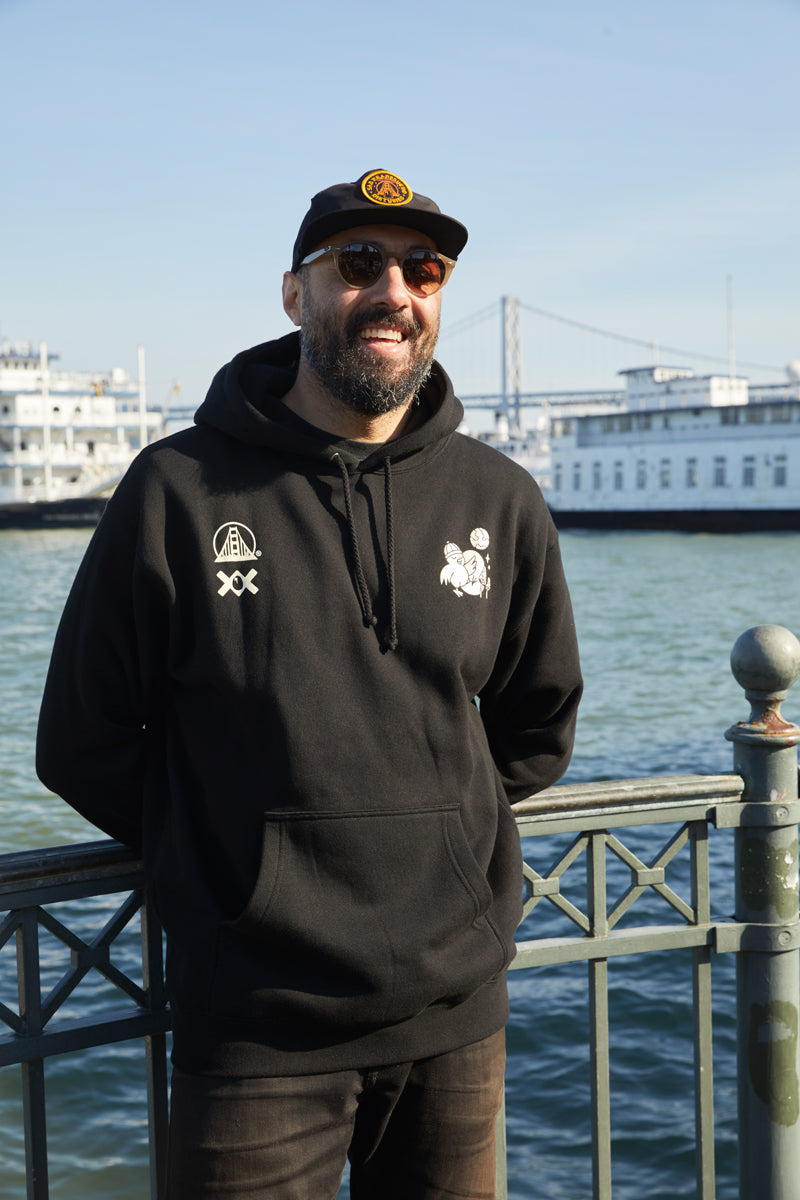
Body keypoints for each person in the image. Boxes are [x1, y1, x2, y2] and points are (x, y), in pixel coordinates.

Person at [36, 168, 583, 1199]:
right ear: (295, 294)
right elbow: (81, 741)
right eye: (358, 263)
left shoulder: (498, 499)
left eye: (423, 268)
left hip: (455, 1023)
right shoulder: (177, 490)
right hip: (253, 1033)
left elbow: (536, 722)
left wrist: (442, 853)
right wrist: (237, 874)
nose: (393, 291)